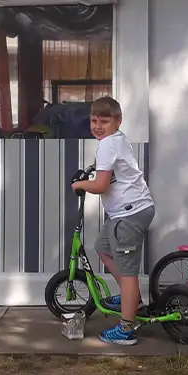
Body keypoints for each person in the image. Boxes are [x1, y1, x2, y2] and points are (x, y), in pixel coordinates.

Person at [71, 96, 155, 346]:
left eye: (104, 121)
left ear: (118, 121)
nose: (97, 126)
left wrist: (80, 184)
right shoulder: (116, 140)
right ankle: (133, 298)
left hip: (129, 214)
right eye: (93, 120)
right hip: (127, 212)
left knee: (128, 272)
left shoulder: (108, 144)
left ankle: (127, 328)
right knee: (103, 247)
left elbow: (101, 185)